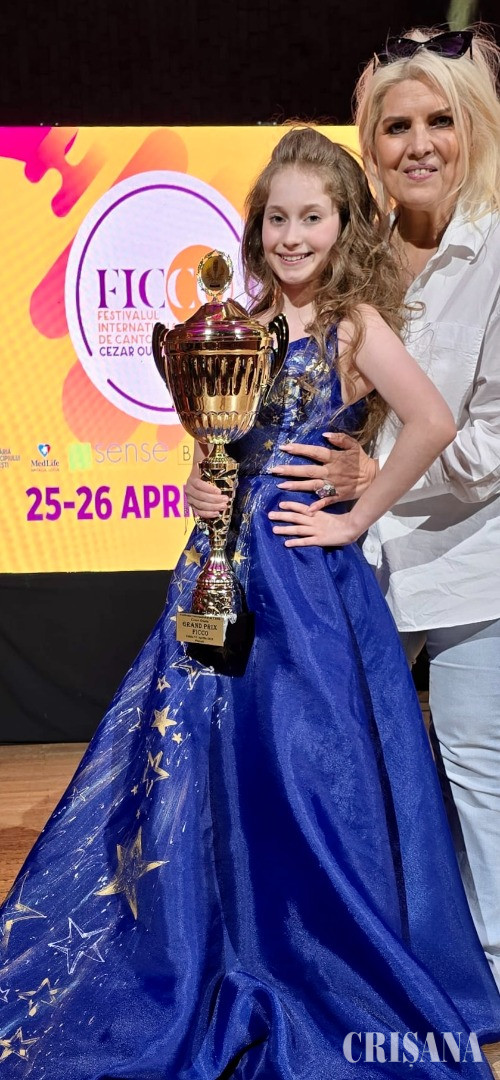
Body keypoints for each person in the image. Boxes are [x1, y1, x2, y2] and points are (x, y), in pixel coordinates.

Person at [0, 128, 499, 1080]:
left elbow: (433, 420)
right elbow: (214, 445)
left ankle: (309, 949)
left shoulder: (352, 325)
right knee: (204, 766)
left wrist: (360, 517)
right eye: (277, 218)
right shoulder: (237, 319)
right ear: (257, 227)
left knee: (303, 769)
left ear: (344, 226)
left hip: (305, 591)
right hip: (217, 573)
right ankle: (210, 941)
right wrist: (199, 484)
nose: (292, 236)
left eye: (312, 217)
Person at [268, 27, 500, 993]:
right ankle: (370, 974)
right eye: (397, 125)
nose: (419, 144)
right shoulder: (349, 249)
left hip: (472, 565)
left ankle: (485, 981)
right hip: (347, 571)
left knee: (476, 773)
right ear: (370, 141)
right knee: (356, 777)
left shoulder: (497, 250)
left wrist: (376, 478)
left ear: (472, 126)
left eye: (439, 120)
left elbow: (481, 437)